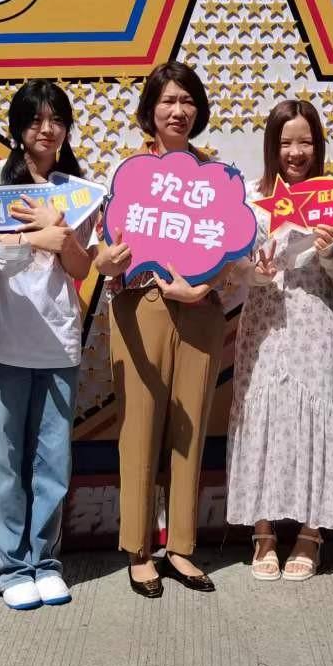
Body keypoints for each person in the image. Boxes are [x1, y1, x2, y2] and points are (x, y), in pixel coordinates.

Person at [93, 61, 229, 598]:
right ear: (150, 110)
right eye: (168, 100)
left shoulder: (217, 174)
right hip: (140, 306)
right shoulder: (126, 172)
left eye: (187, 100)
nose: (178, 110)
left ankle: (182, 547)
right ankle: (138, 549)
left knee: (190, 427)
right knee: (140, 428)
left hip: (200, 308)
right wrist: (107, 260)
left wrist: (201, 288)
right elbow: (105, 248)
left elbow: (231, 246)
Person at [0, 80, 95, 611]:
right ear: (18, 127)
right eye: (36, 119)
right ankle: (11, 565)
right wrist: (31, 236)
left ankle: (46, 561)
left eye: (56, 119)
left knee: (52, 461)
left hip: (57, 342)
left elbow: (81, 267)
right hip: (0, 339)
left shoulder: (77, 188)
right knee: (5, 462)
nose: (47, 129)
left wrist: (63, 237)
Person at [227, 99, 333, 582]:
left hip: (315, 324)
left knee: (315, 417)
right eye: (286, 142)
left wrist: (330, 254)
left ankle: (310, 533)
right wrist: (256, 274)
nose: (296, 152)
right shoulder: (248, 198)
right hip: (262, 323)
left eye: (305, 142)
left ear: (318, 146)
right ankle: (262, 531)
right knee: (261, 415)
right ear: (272, 146)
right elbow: (234, 269)